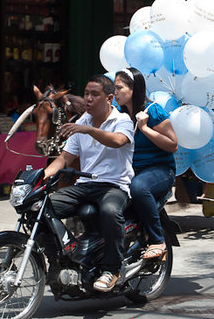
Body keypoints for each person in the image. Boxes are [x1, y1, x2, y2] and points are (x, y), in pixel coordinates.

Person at [44, 75, 134, 292]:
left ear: (109, 98)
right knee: (41, 207)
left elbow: (118, 141)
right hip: (85, 185)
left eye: (95, 94)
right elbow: (65, 158)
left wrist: (89, 130)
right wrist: (42, 176)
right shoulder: (81, 122)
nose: (88, 99)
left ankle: (111, 270)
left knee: (110, 211)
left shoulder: (122, 121)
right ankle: (60, 259)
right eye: (86, 94)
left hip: (114, 185)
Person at [114, 67, 178, 260]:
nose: (115, 92)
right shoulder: (118, 113)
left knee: (139, 188)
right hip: (130, 169)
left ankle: (157, 240)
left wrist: (145, 128)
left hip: (159, 170)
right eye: (113, 88)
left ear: (133, 89)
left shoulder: (153, 111)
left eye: (119, 88)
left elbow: (173, 145)